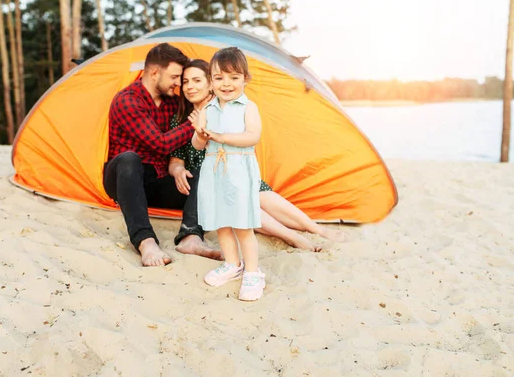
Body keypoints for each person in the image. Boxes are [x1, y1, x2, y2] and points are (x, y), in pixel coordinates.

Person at [169, 59, 345, 254]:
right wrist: (177, 170)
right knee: (241, 199)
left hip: (236, 170)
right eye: (185, 82)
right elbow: (176, 159)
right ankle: (292, 236)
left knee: (260, 193)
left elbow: (246, 138)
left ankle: (316, 228)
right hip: (210, 181)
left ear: (210, 83)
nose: (190, 86)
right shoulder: (179, 118)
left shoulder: (227, 108)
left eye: (196, 80)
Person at [103, 43, 223, 267]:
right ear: (155, 72)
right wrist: (198, 120)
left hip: (157, 181)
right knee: (129, 159)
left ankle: (190, 236)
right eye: (176, 77)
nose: (179, 84)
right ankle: (145, 242)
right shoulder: (128, 100)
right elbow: (161, 144)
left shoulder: (172, 104)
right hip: (124, 181)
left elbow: (205, 106)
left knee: (203, 170)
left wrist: (178, 169)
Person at [187, 47, 265, 301]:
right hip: (214, 170)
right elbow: (197, 145)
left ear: (245, 79)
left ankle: (253, 271)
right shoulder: (208, 109)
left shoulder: (248, 107)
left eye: (234, 77)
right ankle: (233, 264)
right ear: (211, 81)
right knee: (221, 221)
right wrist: (200, 133)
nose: (226, 84)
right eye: (219, 78)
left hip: (238, 169)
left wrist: (222, 137)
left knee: (242, 223)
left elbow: (253, 135)